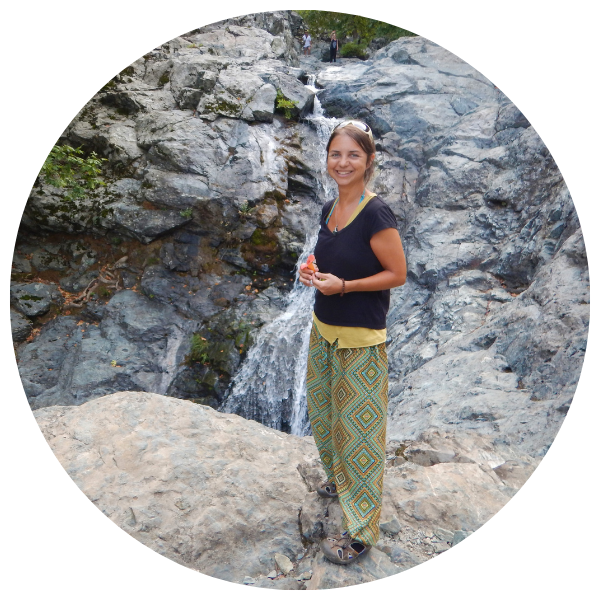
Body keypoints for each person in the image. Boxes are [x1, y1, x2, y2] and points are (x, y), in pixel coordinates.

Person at [298, 120, 407, 565]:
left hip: (360, 340)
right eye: (336, 154)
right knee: (325, 417)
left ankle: (361, 533)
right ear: (327, 159)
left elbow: (397, 274)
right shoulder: (329, 208)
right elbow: (331, 257)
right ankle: (339, 478)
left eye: (353, 155)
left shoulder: (376, 213)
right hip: (323, 330)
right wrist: (311, 271)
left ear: (368, 160)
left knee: (359, 434)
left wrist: (343, 286)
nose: (343, 163)